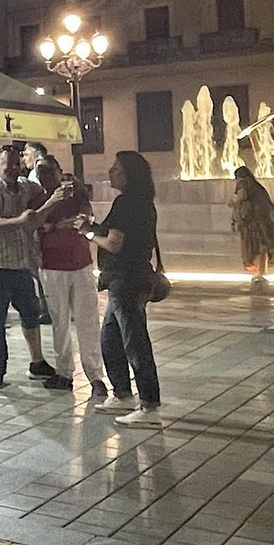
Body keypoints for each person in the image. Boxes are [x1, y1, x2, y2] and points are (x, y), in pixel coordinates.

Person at [75, 151, 164, 428]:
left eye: (115, 169)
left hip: (127, 280)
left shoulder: (127, 203)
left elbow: (114, 243)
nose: (110, 173)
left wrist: (88, 234)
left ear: (128, 174)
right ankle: (122, 393)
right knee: (111, 338)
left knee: (134, 341)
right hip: (127, 280)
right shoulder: (142, 203)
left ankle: (149, 406)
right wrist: (92, 226)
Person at [0, 146, 65, 389]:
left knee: (30, 312)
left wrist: (59, 181)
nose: (13, 169)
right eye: (8, 165)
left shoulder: (25, 186)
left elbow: (45, 192)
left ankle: (37, 362)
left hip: (20, 262)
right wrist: (20, 220)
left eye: (17, 164)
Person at [36, 156, 104, 395]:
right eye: (40, 172)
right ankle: (64, 372)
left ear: (59, 171)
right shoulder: (39, 197)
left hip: (81, 264)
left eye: (49, 171)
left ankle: (95, 376)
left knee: (88, 321)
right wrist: (55, 223)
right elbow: (36, 223)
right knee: (60, 323)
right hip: (52, 266)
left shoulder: (75, 193)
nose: (45, 176)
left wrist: (64, 223)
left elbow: (86, 217)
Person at [231, 166, 274, 291]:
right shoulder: (257, 187)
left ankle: (257, 274)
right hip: (263, 220)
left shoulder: (243, 185)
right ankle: (262, 272)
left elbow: (240, 198)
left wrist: (234, 205)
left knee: (253, 247)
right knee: (263, 248)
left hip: (252, 222)